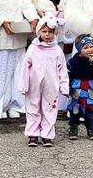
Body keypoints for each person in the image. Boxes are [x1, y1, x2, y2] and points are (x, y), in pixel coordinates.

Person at [19, 14, 68, 147]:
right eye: (44, 31)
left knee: (50, 108)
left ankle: (47, 135)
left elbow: (62, 70)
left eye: (50, 32)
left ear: (55, 33)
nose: (47, 34)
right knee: (33, 107)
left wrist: (64, 87)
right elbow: (25, 68)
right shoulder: (33, 48)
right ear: (38, 31)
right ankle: (33, 134)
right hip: (34, 84)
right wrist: (23, 85)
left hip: (51, 85)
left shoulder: (57, 50)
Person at [67, 34, 93, 141]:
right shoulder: (73, 61)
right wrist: (69, 87)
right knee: (75, 108)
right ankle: (73, 127)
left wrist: (92, 62)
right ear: (79, 49)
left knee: (89, 109)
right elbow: (69, 74)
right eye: (85, 48)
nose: (89, 49)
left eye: (91, 46)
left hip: (90, 87)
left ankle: (91, 128)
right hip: (77, 87)